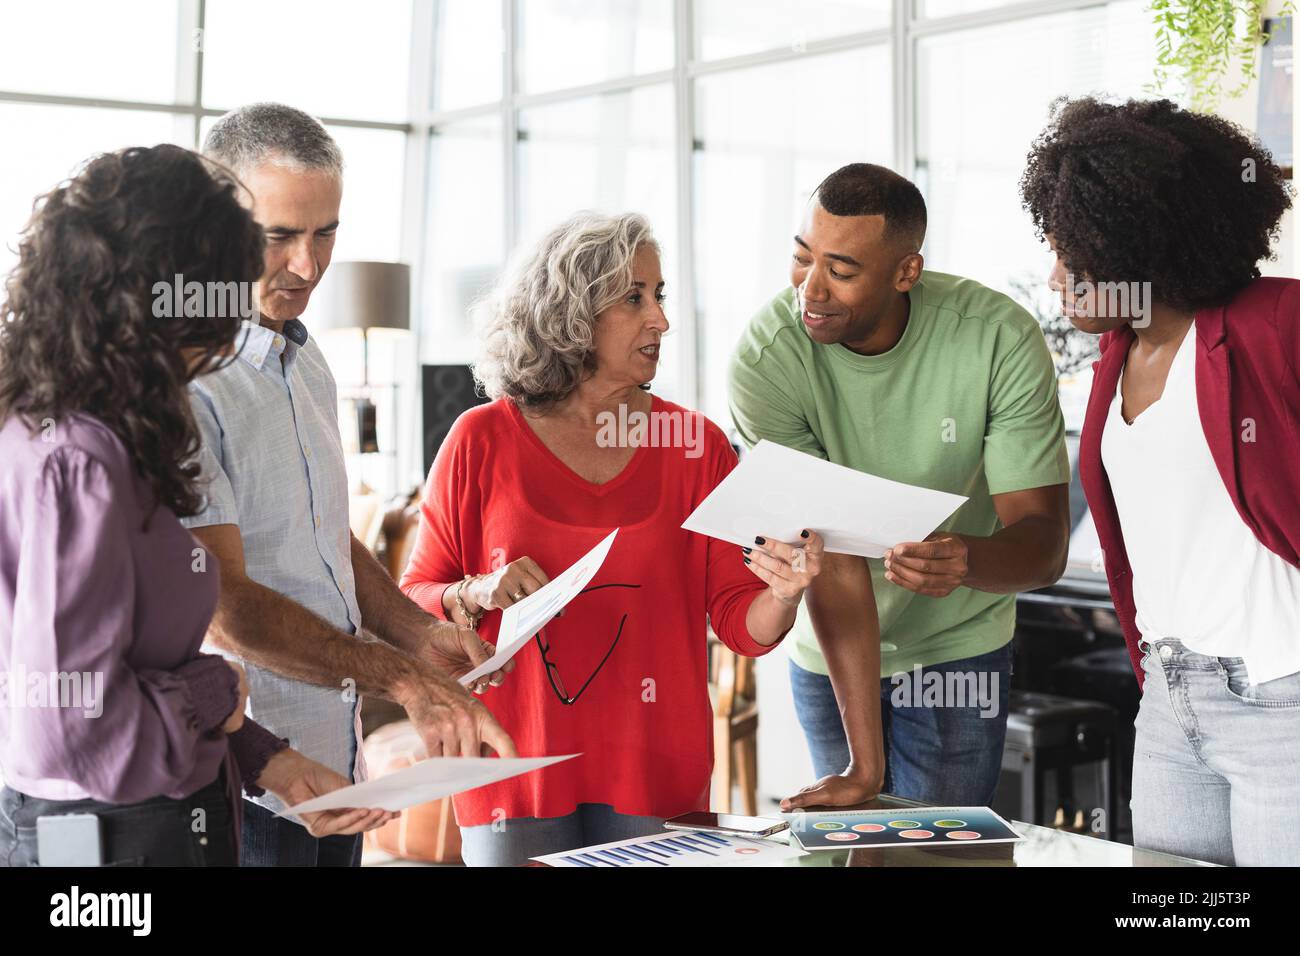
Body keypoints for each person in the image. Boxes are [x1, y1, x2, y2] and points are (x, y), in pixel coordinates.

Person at [0, 144, 393, 866]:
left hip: (167, 822)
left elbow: (139, 663)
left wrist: (262, 754)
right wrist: (213, 690)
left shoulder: (115, 435)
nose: (221, 326)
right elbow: (73, 727)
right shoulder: (72, 460)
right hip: (106, 845)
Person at [399, 211, 824, 866]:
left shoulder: (695, 446)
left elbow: (741, 622)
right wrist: (475, 591)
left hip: (655, 775)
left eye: (660, 296)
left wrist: (786, 592)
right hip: (512, 772)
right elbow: (412, 601)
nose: (661, 319)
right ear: (570, 314)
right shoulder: (479, 440)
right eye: (634, 298)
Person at [181, 103, 515, 868]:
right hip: (247, 778)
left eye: (325, 231)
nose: (308, 264)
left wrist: (417, 633)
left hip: (338, 764)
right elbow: (226, 611)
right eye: (279, 237)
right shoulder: (187, 383)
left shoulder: (308, 363)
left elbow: (326, 535)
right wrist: (404, 677)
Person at [729, 163, 1071, 810]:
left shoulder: (998, 340)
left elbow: (1044, 545)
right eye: (802, 260)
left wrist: (966, 558)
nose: (811, 291)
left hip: (956, 653)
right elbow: (825, 552)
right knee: (851, 849)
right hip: (831, 654)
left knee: (937, 861)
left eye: (842, 270)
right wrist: (864, 766)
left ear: (905, 272)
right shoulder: (767, 357)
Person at [1021, 96, 1300, 866]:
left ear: (1134, 243)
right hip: (1170, 705)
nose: (1053, 278)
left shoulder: (1277, 323)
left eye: (1070, 255)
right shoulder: (1115, 356)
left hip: (1281, 700)